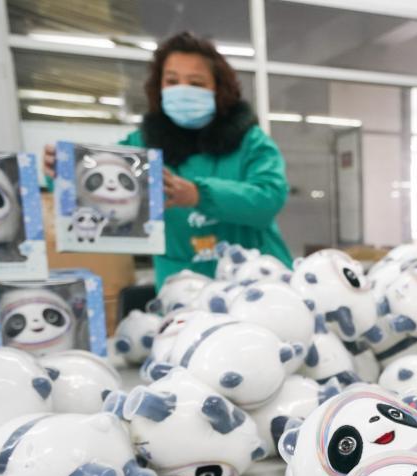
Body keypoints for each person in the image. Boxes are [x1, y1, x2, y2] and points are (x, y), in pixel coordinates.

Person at [44, 31, 291, 287]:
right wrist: (63, 172)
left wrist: (198, 195)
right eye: (172, 81)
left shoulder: (250, 141)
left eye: (196, 83)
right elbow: (97, 191)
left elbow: (269, 199)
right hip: (181, 285)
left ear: (218, 88)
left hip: (254, 282)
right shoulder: (140, 145)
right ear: (159, 87)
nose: (182, 90)